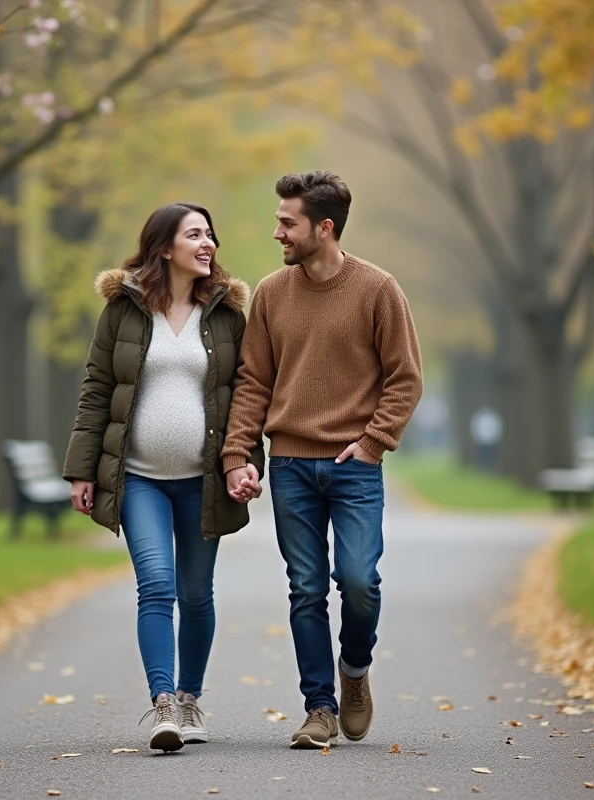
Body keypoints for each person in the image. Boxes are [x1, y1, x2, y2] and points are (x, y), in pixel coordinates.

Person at [221, 171, 423, 749]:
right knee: (306, 589)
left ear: (324, 227)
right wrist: (237, 454)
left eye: (288, 223)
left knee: (359, 582)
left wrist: (374, 441)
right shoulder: (270, 294)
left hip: (355, 466)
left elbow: (405, 378)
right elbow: (253, 382)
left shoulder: (378, 290)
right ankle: (319, 708)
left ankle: (353, 669)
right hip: (290, 466)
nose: (277, 233)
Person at [62, 202, 263, 752]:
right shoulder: (123, 311)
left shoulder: (226, 314)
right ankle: (163, 704)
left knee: (196, 594)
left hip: (203, 480)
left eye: (210, 234)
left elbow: (247, 397)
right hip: (139, 479)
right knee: (156, 585)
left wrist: (244, 461)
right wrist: (81, 470)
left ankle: (190, 698)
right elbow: (97, 390)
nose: (208, 243)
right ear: (164, 247)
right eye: (194, 234)